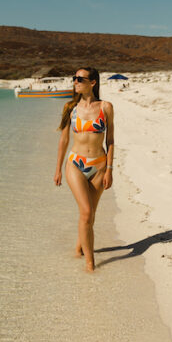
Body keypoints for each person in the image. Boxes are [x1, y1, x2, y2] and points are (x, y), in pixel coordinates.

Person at [54, 67, 114, 272]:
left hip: (99, 165)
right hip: (75, 165)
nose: (75, 82)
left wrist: (110, 169)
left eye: (80, 79)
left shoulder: (106, 107)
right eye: (74, 79)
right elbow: (64, 140)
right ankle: (90, 266)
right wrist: (58, 169)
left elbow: (111, 140)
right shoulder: (70, 107)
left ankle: (79, 248)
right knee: (87, 212)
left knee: (90, 214)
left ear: (93, 83)